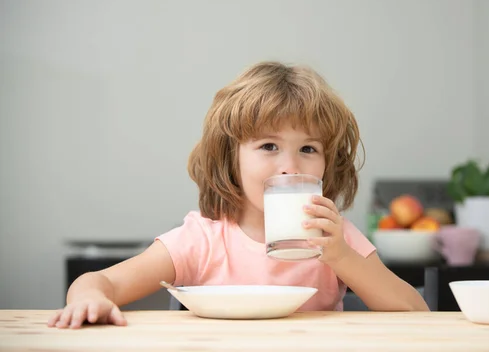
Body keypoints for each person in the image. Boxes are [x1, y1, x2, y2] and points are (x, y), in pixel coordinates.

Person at [48, 61, 429, 329]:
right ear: (231, 159)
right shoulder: (203, 240)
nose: (289, 166)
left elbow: (415, 310)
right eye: (268, 146)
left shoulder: (334, 238)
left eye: (308, 149)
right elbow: (102, 282)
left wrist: (344, 257)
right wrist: (88, 299)